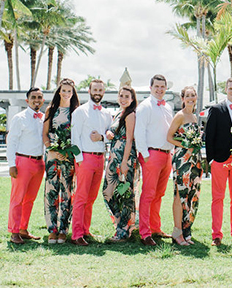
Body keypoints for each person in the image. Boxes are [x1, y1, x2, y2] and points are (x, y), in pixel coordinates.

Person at [204, 77, 232, 246]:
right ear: (226, 89)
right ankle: (217, 235)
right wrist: (212, 159)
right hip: (220, 160)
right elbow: (209, 136)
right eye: (230, 88)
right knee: (218, 198)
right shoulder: (216, 109)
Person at [71, 78, 113, 246]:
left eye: (100, 90)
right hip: (85, 158)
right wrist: (79, 160)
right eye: (95, 89)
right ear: (89, 91)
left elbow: (109, 134)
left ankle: (86, 230)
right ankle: (76, 234)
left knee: (91, 197)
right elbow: (74, 139)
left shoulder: (107, 113)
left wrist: (106, 135)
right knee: (80, 197)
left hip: (100, 157)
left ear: (103, 92)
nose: (97, 92)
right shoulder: (80, 112)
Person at [135, 74, 174, 246]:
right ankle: (144, 232)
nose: (159, 89)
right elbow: (139, 131)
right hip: (152, 154)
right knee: (148, 194)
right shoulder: (145, 107)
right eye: (156, 86)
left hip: (167, 154)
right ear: (150, 88)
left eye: (162, 86)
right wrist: (145, 154)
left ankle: (155, 227)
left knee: (159, 194)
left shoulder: (168, 107)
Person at [42, 78, 80, 244]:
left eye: (69, 91)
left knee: (67, 192)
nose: (66, 93)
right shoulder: (51, 110)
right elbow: (45, 133)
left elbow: (78, 136)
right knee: (51, 191)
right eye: (63, 90)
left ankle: (63, 228)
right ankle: (52, 229)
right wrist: (52, 150)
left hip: (68, 158)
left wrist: (69, 153)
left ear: (73, 93)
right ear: (59, 92)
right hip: (52, 157)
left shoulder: (76, 111)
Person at [7, 87, 46, 244]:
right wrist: (11, 164)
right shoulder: (19, 118)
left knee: (30, 199)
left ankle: (23, 229)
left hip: (39, 162)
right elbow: (12, 142)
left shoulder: (44, 118)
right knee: (18, 198)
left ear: (43, 100)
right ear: (27, 100)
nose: (36, 100)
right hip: (23, 162)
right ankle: (14, 231)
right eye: (33, 97)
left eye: (39, 97)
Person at [166, 86, 203, 246]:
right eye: (187, 96)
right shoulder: (180, 116)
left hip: (195, 161)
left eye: (193, 95)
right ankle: (177, 231)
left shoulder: (194, 116)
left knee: (191, 195)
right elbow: (169, 137)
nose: (190, 98)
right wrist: (185, 145)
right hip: (182, 160)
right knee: (180, 195)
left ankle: (186, 230)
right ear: (182, 99)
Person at [102, 86, 138, 242]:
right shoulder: (118, 114)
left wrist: (125, 162)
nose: (123, 99)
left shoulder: (130, 115)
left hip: (125, 157)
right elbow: (113, 132)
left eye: (127, 96)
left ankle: (123, 231)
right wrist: (109, 134)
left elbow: (129, 139)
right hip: (113, 156)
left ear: (132, 99)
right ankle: (122, 225)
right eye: (121, 95)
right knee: (107, 191)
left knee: (124, 193)